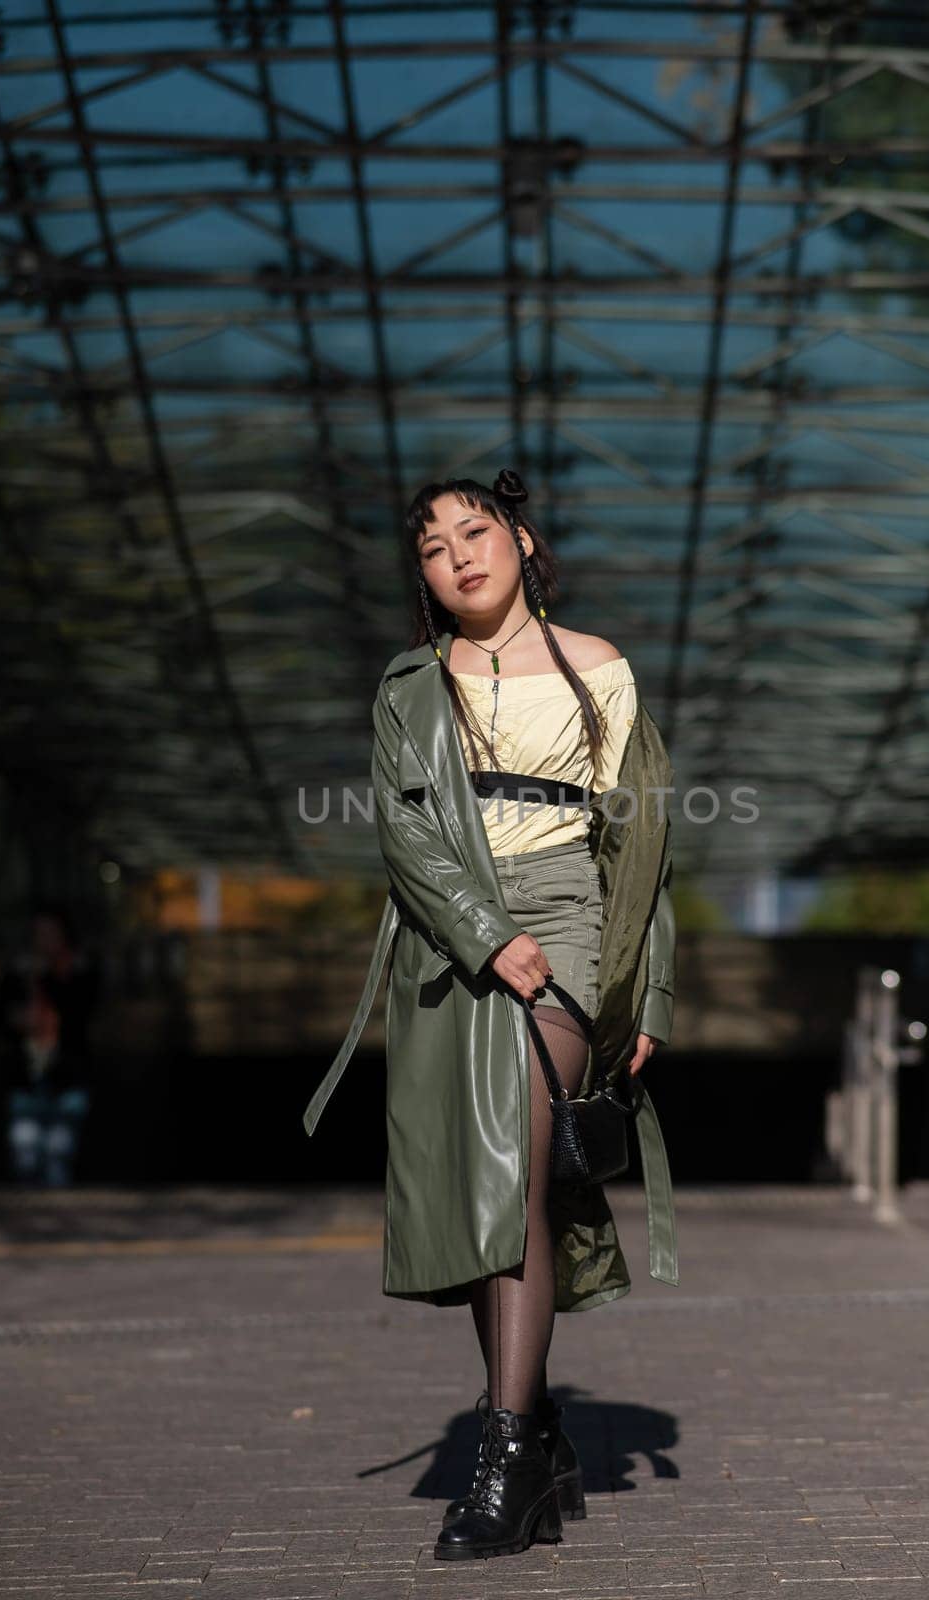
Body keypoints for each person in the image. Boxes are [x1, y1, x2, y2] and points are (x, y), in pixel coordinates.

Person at [302, 466, 678, 1562]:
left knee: (511, 1169)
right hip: (447, 945)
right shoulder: (408, 686)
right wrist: (479, 931)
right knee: (480, 1192)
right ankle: (544, 1428)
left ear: (519, 537)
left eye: (475, 530)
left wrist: (646, 987)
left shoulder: (599, 666)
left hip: (567, 922)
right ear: (419, 575)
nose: (458, 553)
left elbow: (643, 846)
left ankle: (505, 1459)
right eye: (431, 546)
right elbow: (404, 837)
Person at [0, 902, 100, 1186]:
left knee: (59, 1153)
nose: (44, 940)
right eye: (39, 933)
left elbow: (80, 1013)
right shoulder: (17, 973)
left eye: (51, 932)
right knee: (25, 1152)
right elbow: (2, 1015)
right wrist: (16, 1019)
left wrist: (47, 978)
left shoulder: (79, 970)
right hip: (26, 1074)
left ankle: (58, 1221)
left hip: (67, 1073)